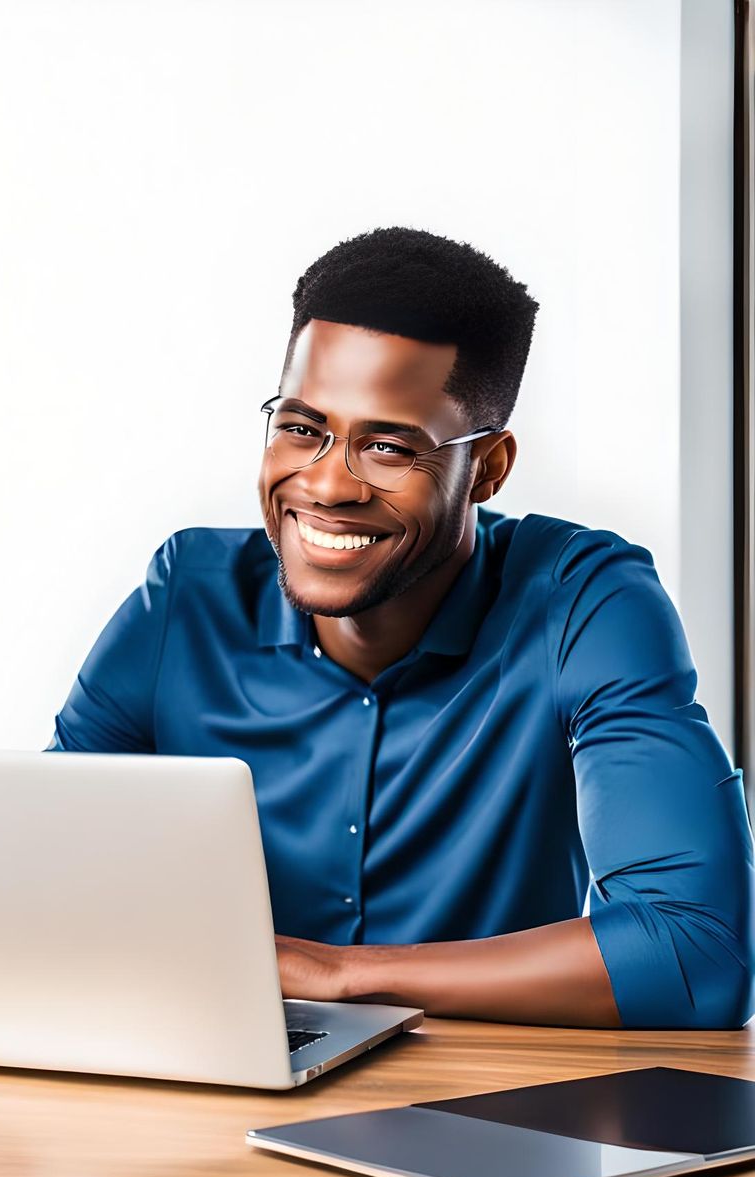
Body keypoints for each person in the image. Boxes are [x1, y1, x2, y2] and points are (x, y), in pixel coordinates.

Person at [52, 226, 754, 1028]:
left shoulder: (581, 602)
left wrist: (338, 975)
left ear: (487, 468)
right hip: (212, 1074)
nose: (327, 485)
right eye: (301, 427)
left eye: (387, 447)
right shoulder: (188, 596)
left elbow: (699, 953)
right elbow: (46, 872)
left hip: (493, 1093)